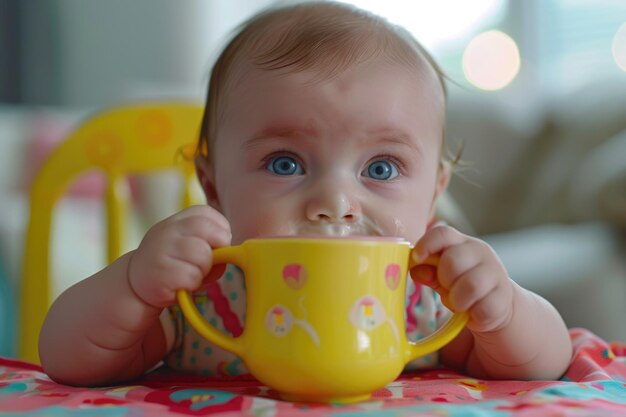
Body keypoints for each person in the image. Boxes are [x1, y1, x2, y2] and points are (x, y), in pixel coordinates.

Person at [39, 1, 572, 386]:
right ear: (214, 186)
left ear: (431, 197)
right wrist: (134, 282)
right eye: (285, 163)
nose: (334, 203)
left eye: (382, 168)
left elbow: (543, 363)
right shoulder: (202, 296)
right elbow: (68, 359)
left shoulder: (425, 298)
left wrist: (502, 311)